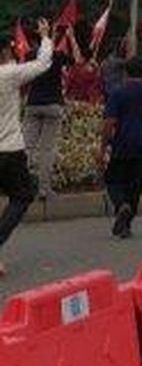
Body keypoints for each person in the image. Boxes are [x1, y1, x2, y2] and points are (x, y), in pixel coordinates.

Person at [0, 19, 53, 276]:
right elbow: (43, 64)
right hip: (9, 149)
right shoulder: (8, 74)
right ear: (5, 54)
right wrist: (45, 36)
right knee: (22, 196)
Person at [99, 57, 142, 238]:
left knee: (113, 180)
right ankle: (125, 225)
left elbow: (109, 122)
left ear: (125, 72)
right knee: (136, 187)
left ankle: (121, 206)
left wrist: (102, 147)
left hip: (121, 144)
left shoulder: (117, 92)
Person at [22, 23, 82, 198]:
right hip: (53, 105)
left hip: (33, 104)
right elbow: (77, 60)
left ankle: (22, 187)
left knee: (27, 147)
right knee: (46, 149)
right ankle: (44, 189)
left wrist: (50, 37)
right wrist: (71, 37)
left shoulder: (30, 55)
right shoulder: (58, 56)